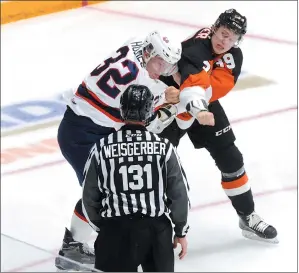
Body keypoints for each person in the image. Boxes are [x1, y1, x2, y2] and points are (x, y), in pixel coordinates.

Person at [55, 31, 181, 271]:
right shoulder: (141, 83)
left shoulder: (133, 44)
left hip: (83, 126)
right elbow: (144, 121)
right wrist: (165, 101)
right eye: (159, 63)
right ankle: (72, 248)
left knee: (107, 186)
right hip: (81, 135)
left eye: (168, 66)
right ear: (148, 53)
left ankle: (77, 243)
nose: (162, 71)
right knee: (105, 189)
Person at [158, 8, 278, 243]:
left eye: (233, 38)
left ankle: (247, 215)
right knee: (153, 161)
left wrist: (192, 103)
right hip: (169, 101)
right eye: (224, 33)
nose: (226, 41)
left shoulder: (234, 56)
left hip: (201, 103)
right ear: (215, 28)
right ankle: (142, 223)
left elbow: (213, 90)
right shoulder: (195, 48)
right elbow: (190, 87)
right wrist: (185, 103)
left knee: (231, 159)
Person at [82, 84, 190, 272]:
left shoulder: (102, 148)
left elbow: (89, 196)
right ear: (149, 111)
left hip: (115, 230)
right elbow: (179, 193)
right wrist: (180, 230)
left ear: (122, 109)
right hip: (156, 231)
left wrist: (106, 229)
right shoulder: (163, 147)